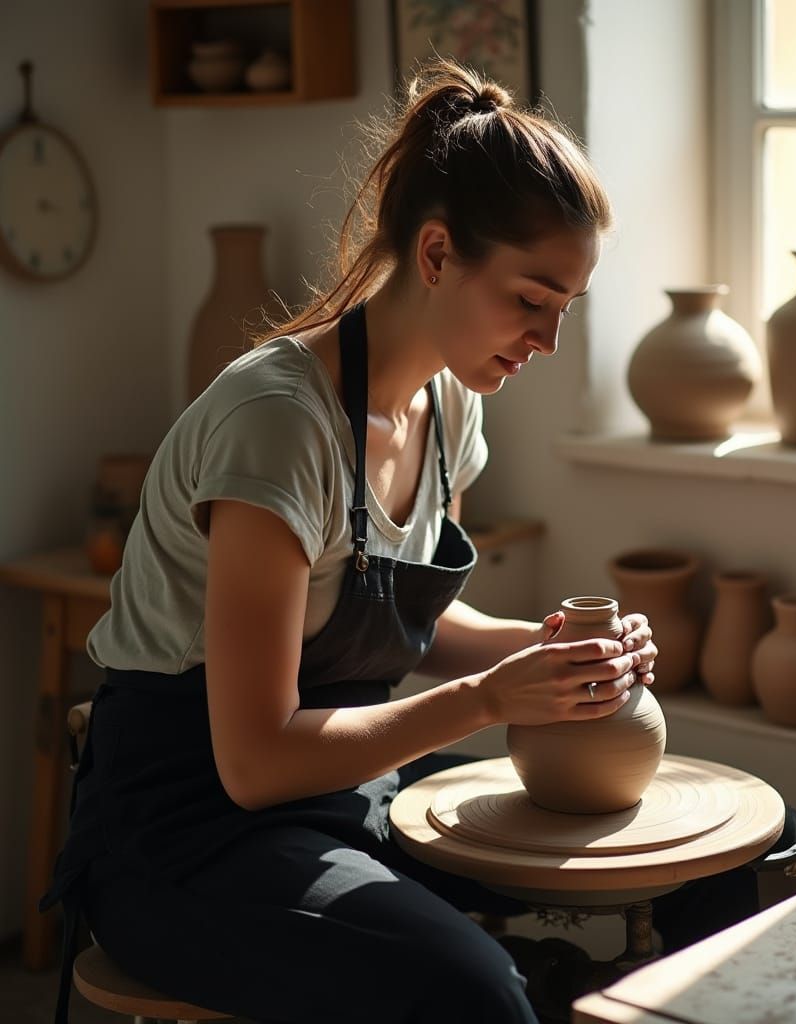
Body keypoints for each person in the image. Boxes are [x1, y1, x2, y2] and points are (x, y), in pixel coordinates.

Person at [40, 59, 658, 1024]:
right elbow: (257, 759)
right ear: (439, 253)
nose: (546, 339)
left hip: (340, 794)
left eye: (564, 309)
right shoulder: (278, 425)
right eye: (530, 300)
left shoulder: (451, 404)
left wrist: (561, 654)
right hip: (187, 832)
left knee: (673, 880)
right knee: (476, 994)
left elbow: (413, 616)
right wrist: (491, 699)